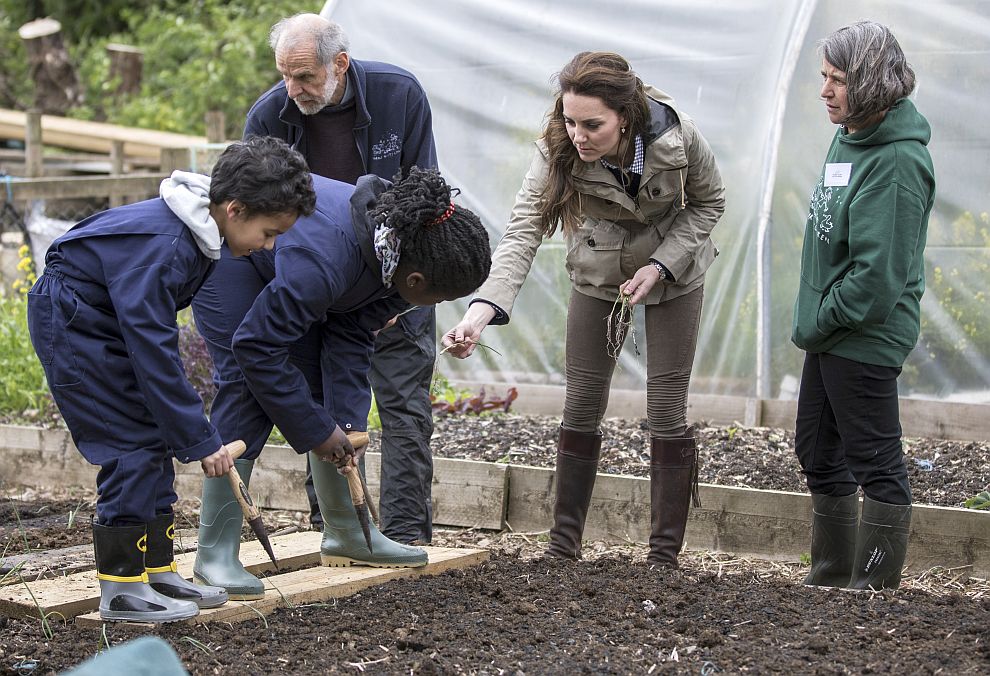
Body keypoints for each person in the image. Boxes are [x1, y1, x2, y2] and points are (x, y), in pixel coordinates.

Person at [443, 52, 724, 568]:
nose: (578, 134)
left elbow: (710, 202)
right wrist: (479, 313)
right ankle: (561, 549)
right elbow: (525, 228)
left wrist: (661, 266)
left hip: (674, 273)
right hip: (598, 269)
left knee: (666, 408)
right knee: (582, 402)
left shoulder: (678, 138)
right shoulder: (557, 149)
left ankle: (663, 562)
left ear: (627, 116)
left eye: (592, 124)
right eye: (570, 121)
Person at [26, 136, 316, 622]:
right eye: (268, 233)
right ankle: (121, 588)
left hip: (105, 317)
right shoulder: (170, 245)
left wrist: (185, 433)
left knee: (155, 438)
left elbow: (153, 342)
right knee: (130, 442)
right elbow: (153, 350)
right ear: (235, 209)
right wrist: (200, 438)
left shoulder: (200, 236)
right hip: (73, 320)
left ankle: (157, 569)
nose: (270, 246)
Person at [192, 167, 491, 597]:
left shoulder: (399, 251)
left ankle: (348, 535)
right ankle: (214, 555)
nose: (437, 306)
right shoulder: (329, 259)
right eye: (439, 299)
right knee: (246, 389)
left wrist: (345, 425)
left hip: (289, 269)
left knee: (317, 385)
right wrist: (318, 433)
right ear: (416, 283)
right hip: (232, 258)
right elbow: (256, 347)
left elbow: (351, 334)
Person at [221, 12, 439, 545]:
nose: (292, 90)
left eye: (305, 77)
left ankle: (407, 536)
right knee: (323, 402)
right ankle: (342, 531)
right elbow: (253, 218)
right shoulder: (269, 115)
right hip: (313, 280)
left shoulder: (398, 95)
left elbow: (427, 195)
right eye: (285, 76)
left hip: (396, 278)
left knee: (403, 403)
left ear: (339, 64)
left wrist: (399, 293)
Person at [792, 21, 935, 591]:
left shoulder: (898, 162)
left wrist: (822, 315)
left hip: (862, 331)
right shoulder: (851, 133)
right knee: (818, 449)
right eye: (823, 78)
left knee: (874, 459)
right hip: (831, 328)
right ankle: (830, 577)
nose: (825, 91)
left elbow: (877, 278)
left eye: (838, 80)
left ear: (872, 81)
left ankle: (873, 590)